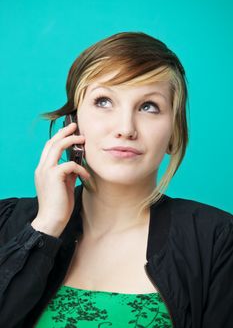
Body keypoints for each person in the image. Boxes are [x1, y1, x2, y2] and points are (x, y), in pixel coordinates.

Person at [0, 31, 232, 328]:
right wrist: (43, 230)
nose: (126, 128)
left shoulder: (218, 241)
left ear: (174, 133)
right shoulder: (7, 225)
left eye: (149, 106)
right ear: (73, 122)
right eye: (104, 101)